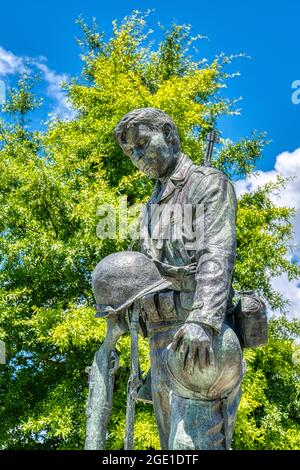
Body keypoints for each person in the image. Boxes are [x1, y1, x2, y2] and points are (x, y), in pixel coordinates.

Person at [114, 107, 244, 450]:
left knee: (193, 444)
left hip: (195, 335)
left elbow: (216, 254)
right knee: (171, 446)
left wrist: (203, 320)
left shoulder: (207, 183)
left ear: (169, 134)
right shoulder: (149, 206)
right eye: (131, 153)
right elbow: (142, 272)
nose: (138, 157)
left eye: (142, 144)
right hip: (158, 338)